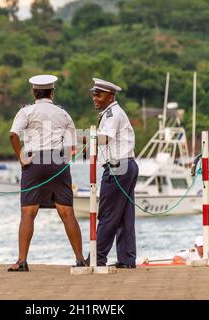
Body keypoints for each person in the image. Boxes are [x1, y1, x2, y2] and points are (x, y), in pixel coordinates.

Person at [8, 74, 86, 271]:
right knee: (67, 212)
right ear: (52, 92)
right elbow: (71, 145)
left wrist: (20, 156)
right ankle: (80, 259)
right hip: (57, 162)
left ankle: (22, 261)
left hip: (33, 162)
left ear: (34, 92)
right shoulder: (63, 114)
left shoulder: (26, 112)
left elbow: (13, 134)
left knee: (28, 212)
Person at [89, 78, 139, 268]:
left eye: (99, 95)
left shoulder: (111, 114)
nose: (95, 98)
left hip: (118, 167)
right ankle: (127, 259)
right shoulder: (113, 112)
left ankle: (97, 258)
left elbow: (104, 139)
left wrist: (78, 139)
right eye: (94, 94)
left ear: (110, 97)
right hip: (127, 165)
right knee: (124, 216)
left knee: (108, 215)